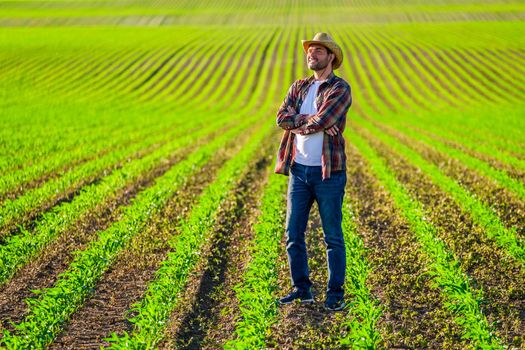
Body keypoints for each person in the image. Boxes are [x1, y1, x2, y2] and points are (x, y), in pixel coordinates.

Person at [274, 32, 352, 311]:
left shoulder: (340, 89)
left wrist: (300, 124)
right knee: (293, 233)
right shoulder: (299, 86)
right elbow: (281, 117)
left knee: (332, 236)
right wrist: (309, 122)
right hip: (299, 171)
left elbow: (326, 119)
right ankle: (302, 289)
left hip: (328, 172)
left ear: (331, 57)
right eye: (310, 50)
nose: (312, 54)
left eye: (318, 51)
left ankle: (335, 293)